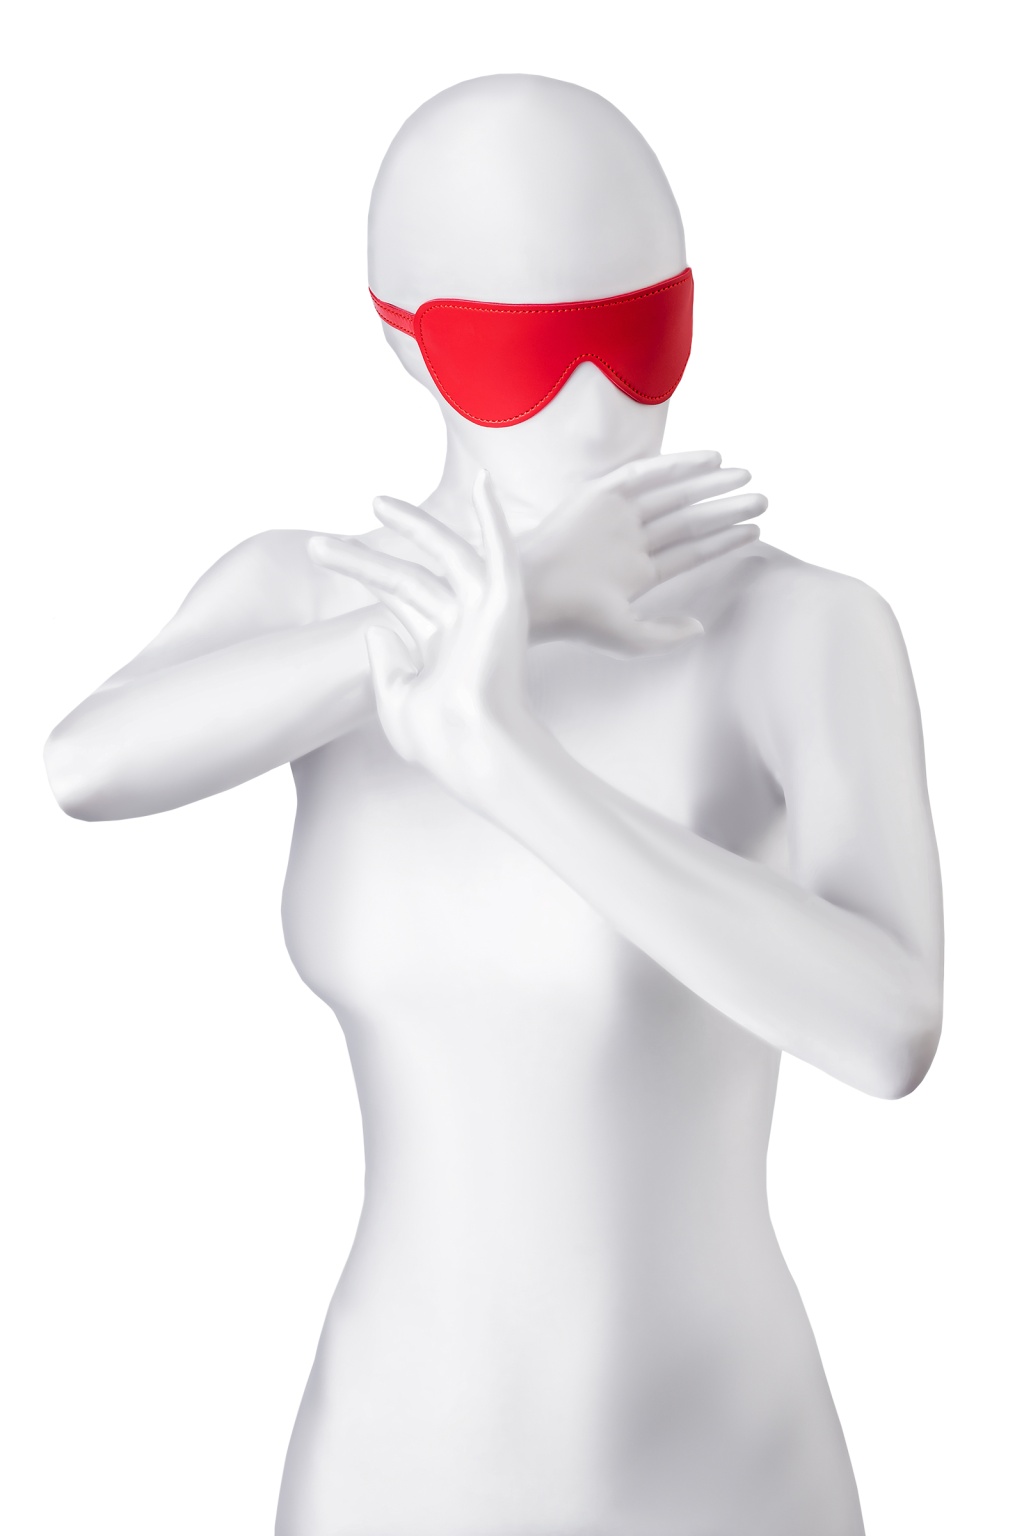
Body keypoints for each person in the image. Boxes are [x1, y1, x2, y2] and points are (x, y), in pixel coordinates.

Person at [44, 74, 943, 1536]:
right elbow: (84, 767)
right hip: (390, 1459)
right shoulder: (312, 599)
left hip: (717, 1458)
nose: (600, 407)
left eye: (642, 332)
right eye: (527, 351)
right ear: (403, 342)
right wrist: (490, 614)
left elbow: (888, 1027)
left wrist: (507, 759)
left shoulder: (801, 630)